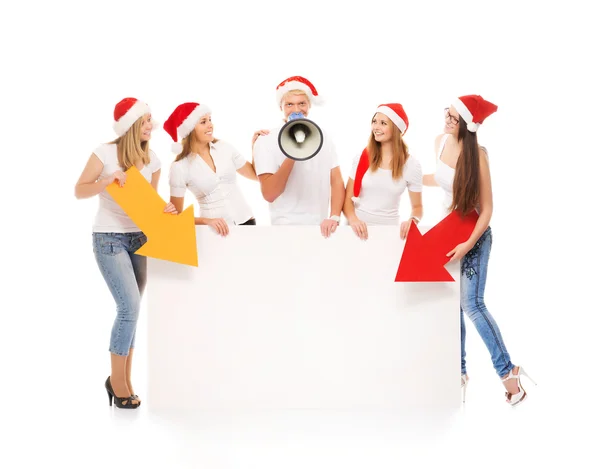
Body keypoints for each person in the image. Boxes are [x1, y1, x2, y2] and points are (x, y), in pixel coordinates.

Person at [422, 95, 536, 406]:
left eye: (453, 118)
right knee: (450, 306)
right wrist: (411, 180)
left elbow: (486, 210)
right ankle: (457, 372)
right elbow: (441, 178)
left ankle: (507, 371)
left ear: (467, 125)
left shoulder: (478, 157)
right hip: (450, 233)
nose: (446, 120)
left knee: (471, 304)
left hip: (473, 235)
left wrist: (467, 245)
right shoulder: (439, 143)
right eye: (446, 114)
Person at [74, 97, 177, 409]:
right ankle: (117, 382)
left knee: (131, 310)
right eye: (145, 121)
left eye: (150, 120)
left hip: (140, 238)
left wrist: (167, 209)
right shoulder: (104, 153)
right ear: (131, 125)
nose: (151, 126)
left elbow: (152, 202)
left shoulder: (153, 159)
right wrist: (107, 180)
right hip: (109, 238)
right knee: (129, 306)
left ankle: (123, 379)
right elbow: (79, 190)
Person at [253, 75, 345, 236]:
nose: (296, 110)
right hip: (285, 228)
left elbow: (336, 180)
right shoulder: (266, 141)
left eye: (302, 103)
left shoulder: (324, 138)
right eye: (289, 104)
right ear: (280, 107)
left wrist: (335, 216)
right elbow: (269, 194)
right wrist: (293, 152)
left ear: (309, 105)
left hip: (321, 229)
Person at [164, 102, 258, 236]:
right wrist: (206, 221)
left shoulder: (225, 148)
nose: (210, 125)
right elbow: (176, 216)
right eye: (203, 122)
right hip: (216, 233)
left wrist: (256, 148)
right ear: (190, 129)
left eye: (210, 120)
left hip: (247, 222)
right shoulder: (179, 167)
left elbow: (255, 175)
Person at [342, 103, 423, 240]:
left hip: (390, 233)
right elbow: (347, 200)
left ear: (396, 129)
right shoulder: (362, 158)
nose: (376, 127)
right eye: (374, 122)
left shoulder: (411, 165)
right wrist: (353, 220)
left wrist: (413, 220)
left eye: (383, 123)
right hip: (355, 231)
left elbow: (417, 207)